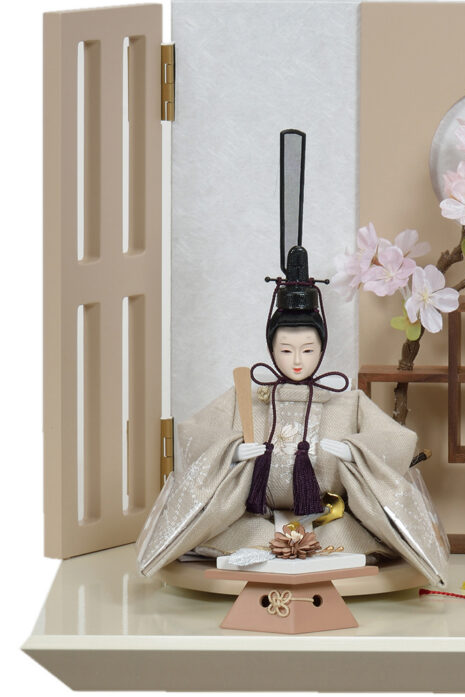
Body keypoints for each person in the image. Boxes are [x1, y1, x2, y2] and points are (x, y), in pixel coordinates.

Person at [136, 131, 448, 585]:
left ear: (322, 348)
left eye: (307, 350)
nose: (297, 360)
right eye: (285, 350)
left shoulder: (345, 401)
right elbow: (193, 435)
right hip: (253, 520)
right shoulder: (249, 396)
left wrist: (354, 452)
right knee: (241, 539)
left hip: (329, 519)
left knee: (344, 543)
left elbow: (397, 441)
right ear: (271, 349)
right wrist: (232, 452)